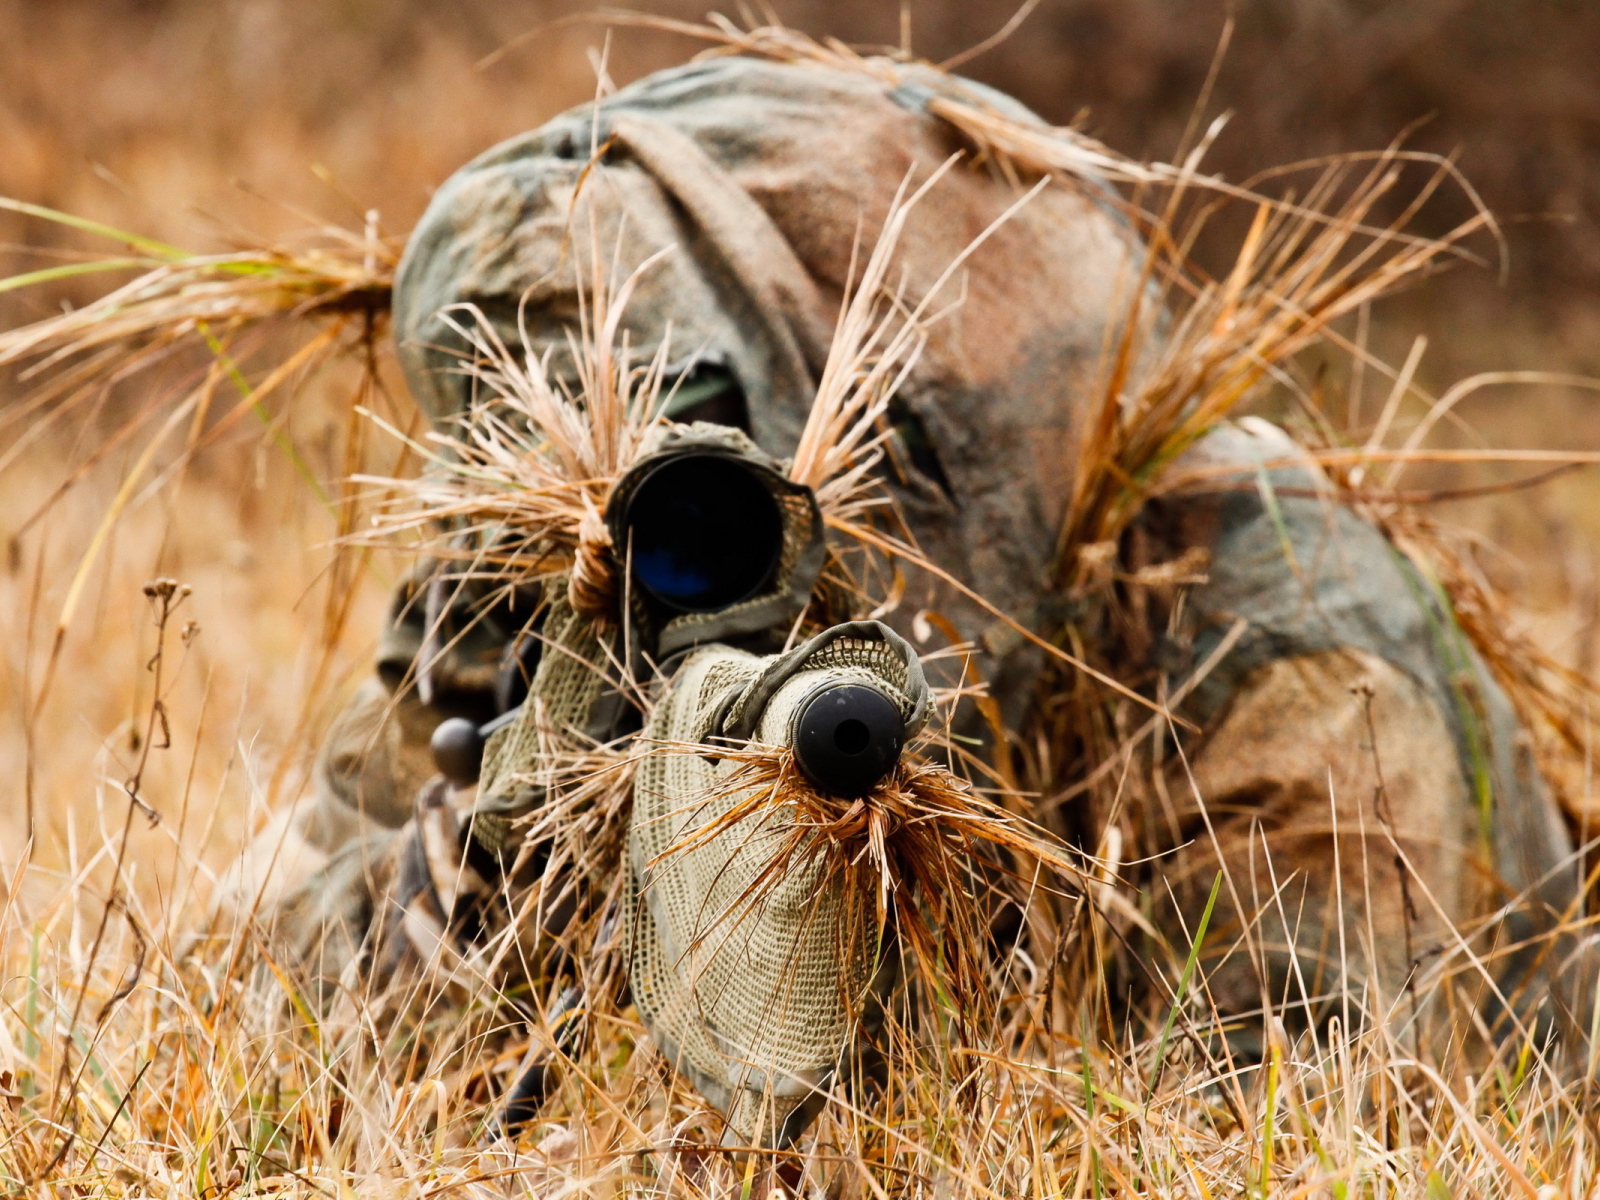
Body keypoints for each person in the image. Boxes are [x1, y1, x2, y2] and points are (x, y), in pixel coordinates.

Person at [222, 52, 1594, 1147]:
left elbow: (1298, 1139)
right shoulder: (596, 558)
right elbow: (263, 993)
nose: (643, 586)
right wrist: (446, 928)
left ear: (880, 447)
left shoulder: (1279, 641)